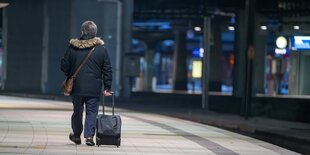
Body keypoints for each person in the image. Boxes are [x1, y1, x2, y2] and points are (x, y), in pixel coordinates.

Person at [60, 21, 112, 146]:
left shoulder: (72, 47)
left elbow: (64, 65)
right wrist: (107, 87)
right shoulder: (101, 50)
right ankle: (89, 136)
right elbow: (107, 69)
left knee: (77, 111)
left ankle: (76, 135)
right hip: (94, 87)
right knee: (92, 111)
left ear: (82, 32)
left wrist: (69, 74)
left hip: (77, 85)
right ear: (95, 33)